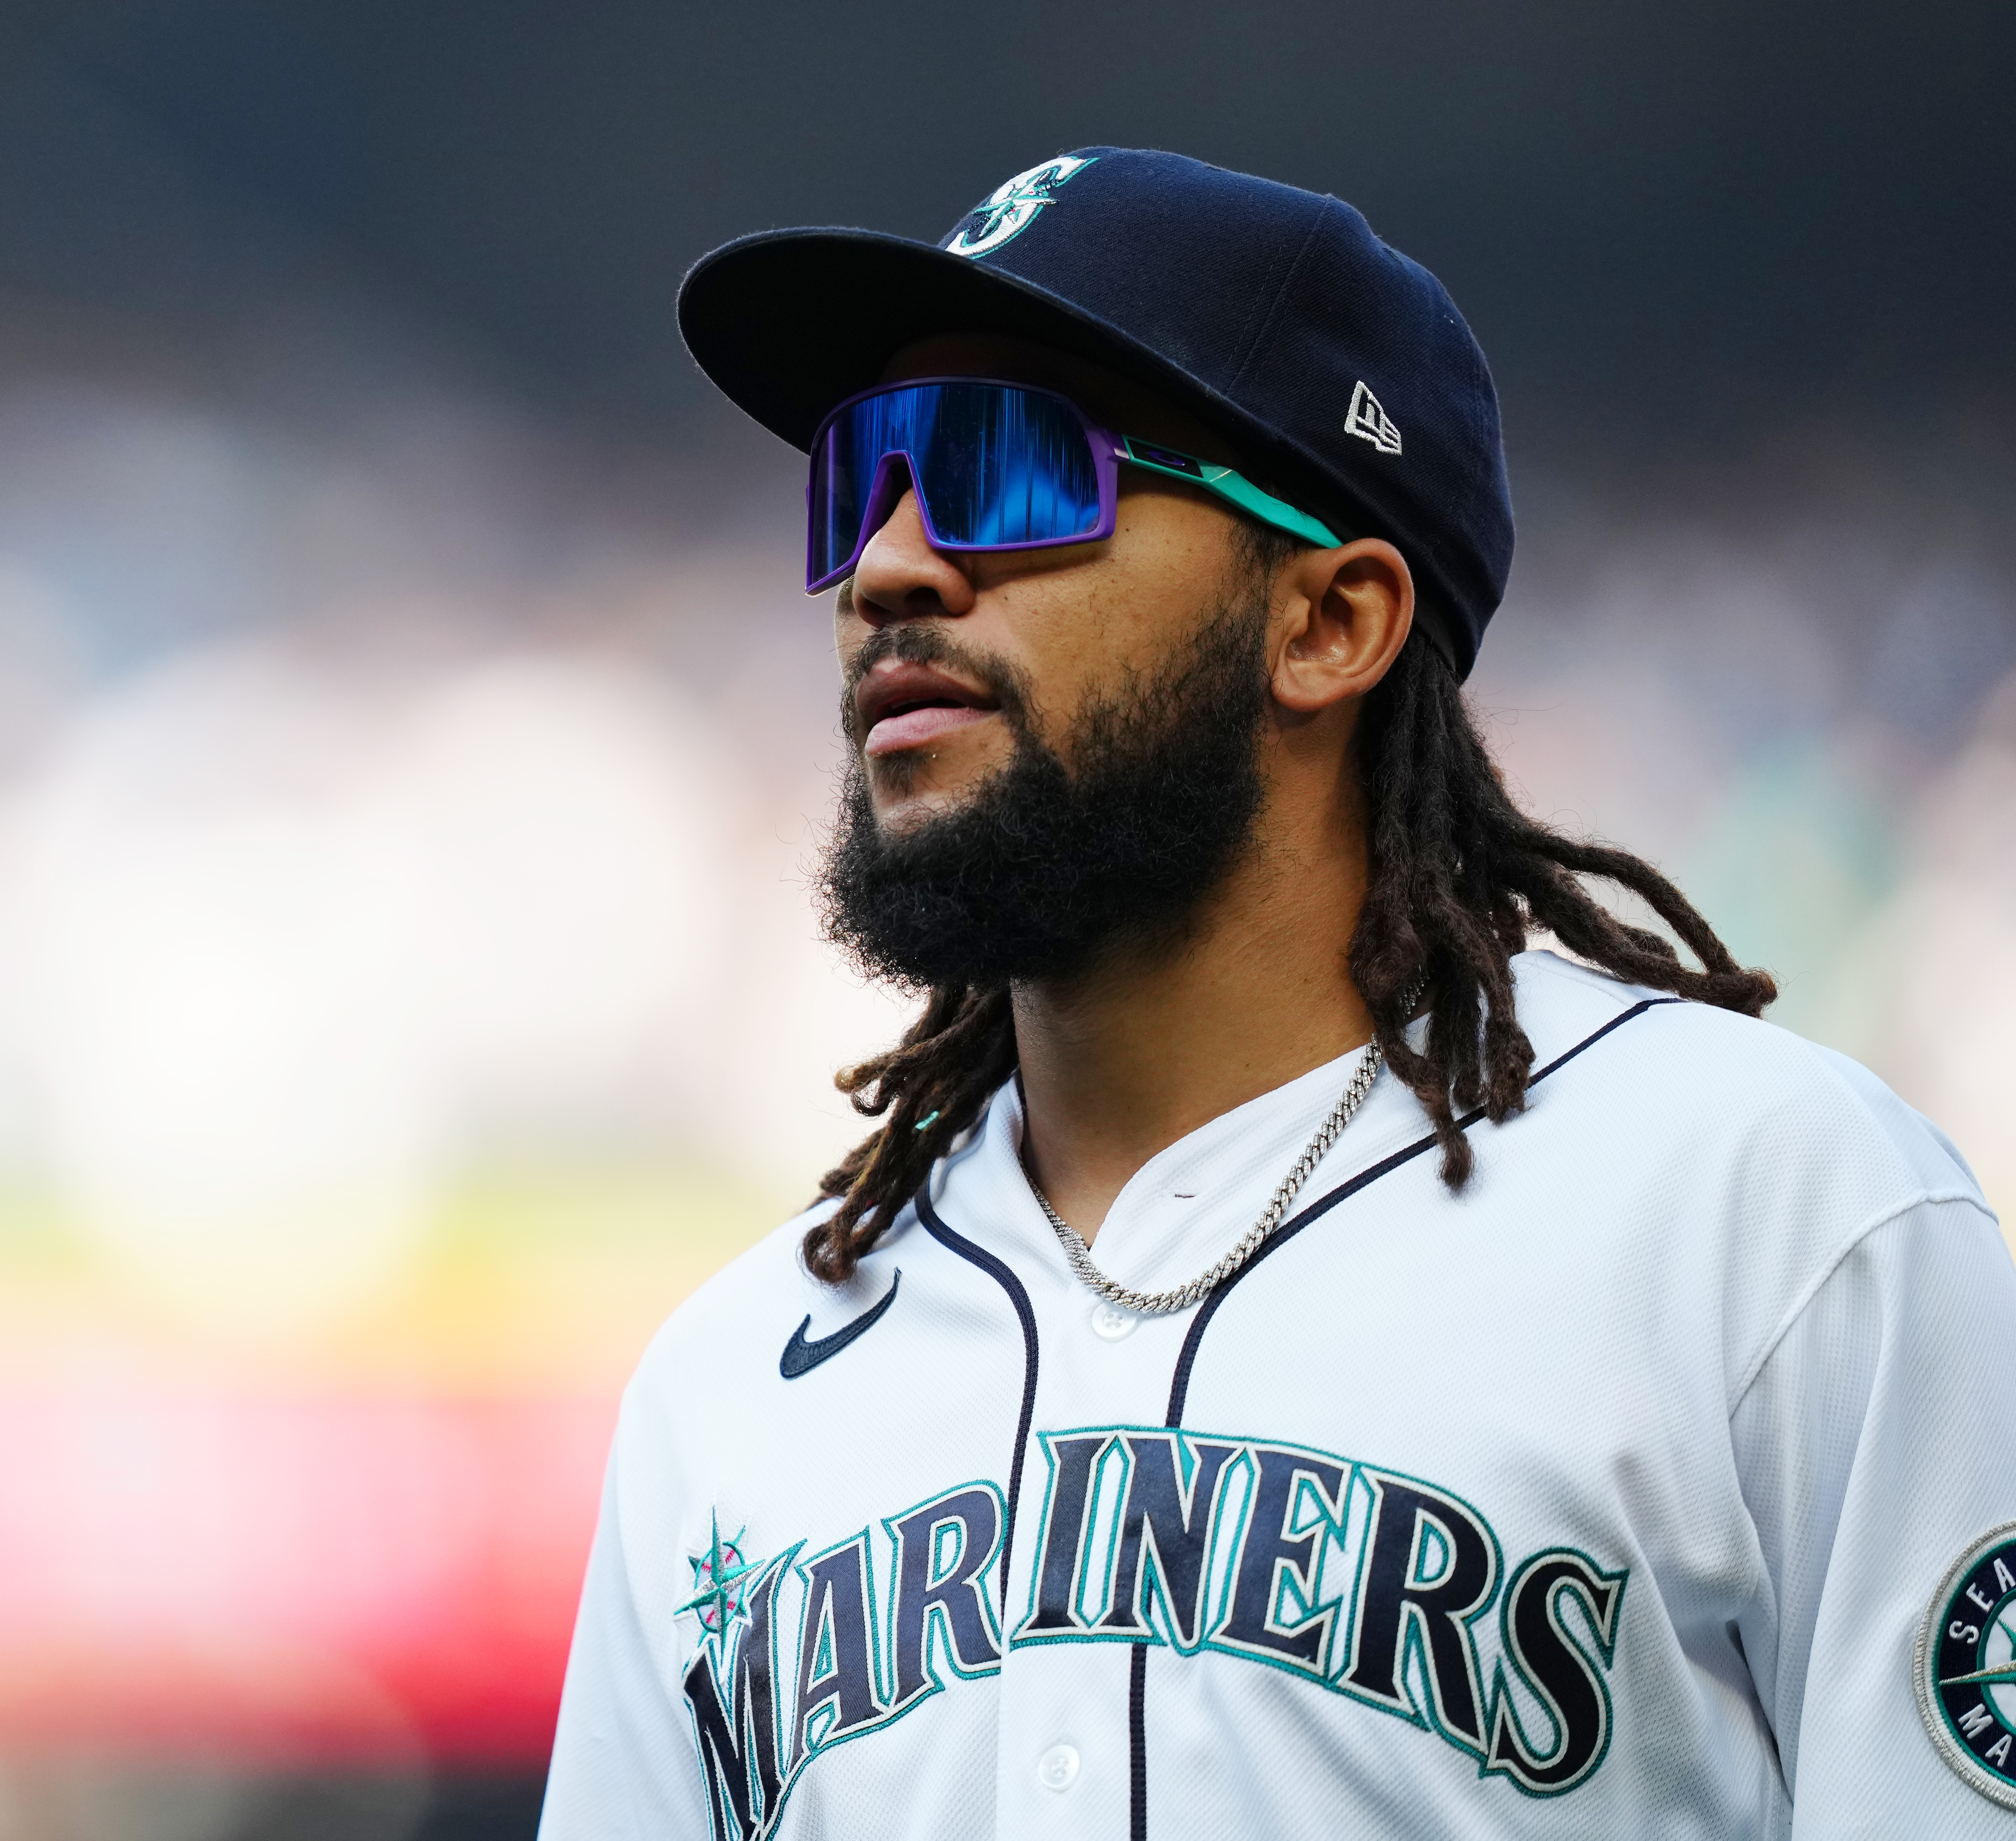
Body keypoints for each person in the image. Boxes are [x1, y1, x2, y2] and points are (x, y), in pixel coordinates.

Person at [537, 147, 2016, 1838]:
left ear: (1329, 619)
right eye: (857, 482)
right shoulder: (730, 1388)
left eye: (1002, 469)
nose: (887, 567)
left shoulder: (1772, 1226)